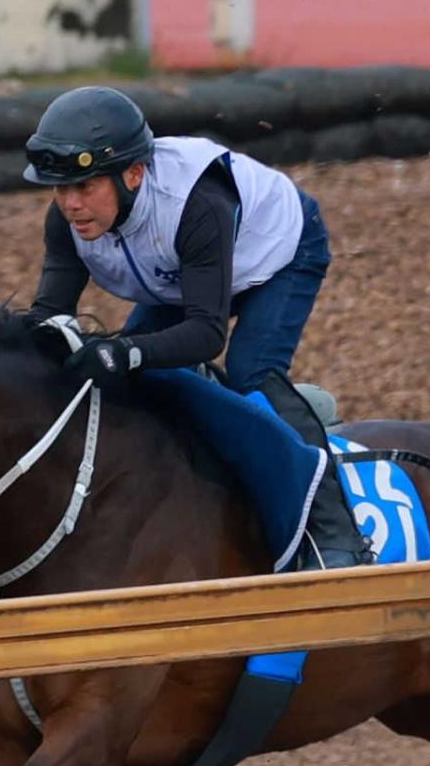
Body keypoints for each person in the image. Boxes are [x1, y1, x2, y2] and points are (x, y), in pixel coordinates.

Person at [24, 85, 372, 570]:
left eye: (85, 187)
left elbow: (207, 334)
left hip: (281, 255)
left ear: (134, 174)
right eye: (60, 189)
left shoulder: (196, 203)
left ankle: (338, 536)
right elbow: (48, 315)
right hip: (185, 276)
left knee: (251, 371)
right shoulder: (65, 220)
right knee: (140, 375)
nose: (70, 204)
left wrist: (124, 351)